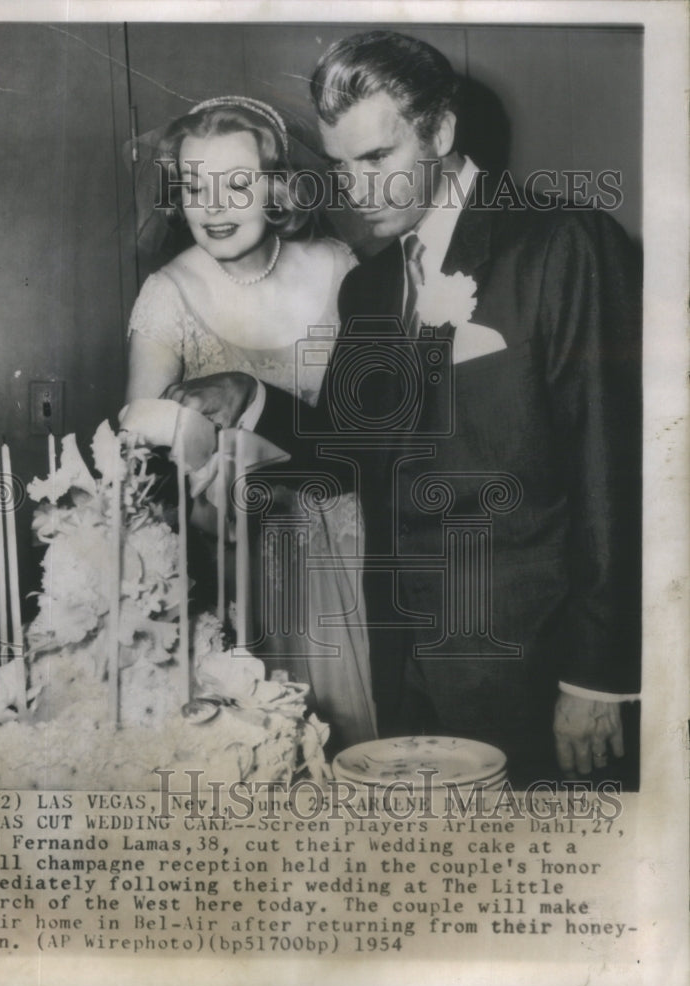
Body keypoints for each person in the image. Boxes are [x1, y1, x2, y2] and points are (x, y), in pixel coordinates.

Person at [161, 33, 642, 785]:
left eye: (377, 159)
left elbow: (618, 471)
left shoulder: (563, 245)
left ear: (441, 133)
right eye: (341, 166)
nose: (356, 189)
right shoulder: (373, 286)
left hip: (533, 669)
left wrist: (598, 679)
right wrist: (251, 398)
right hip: (404, 663)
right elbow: (356, 450)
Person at [121, 96, 378, 750]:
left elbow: (371, 439)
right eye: (195, 185)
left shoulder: (339, 270)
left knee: (357, 747)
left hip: (348, 551)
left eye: (237, 184)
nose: (214, 205)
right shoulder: (167, 294)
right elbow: (138, 461)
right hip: (231, 564)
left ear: (279, 188)